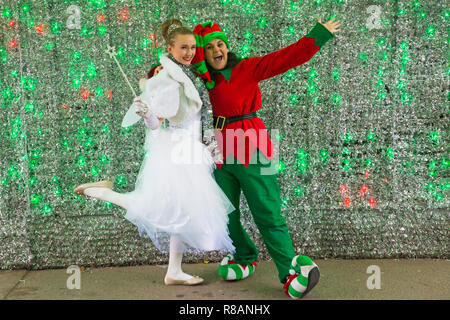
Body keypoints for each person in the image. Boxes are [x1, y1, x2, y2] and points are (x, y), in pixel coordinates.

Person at [73, 18, 235, 286]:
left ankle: (174, 270)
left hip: (191, 150)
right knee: (153, 207)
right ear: (170, 49)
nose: (190, 52)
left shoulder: (185, 74)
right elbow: (158, 122)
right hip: (176, 153)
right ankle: (96, 190)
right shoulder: (167, 79)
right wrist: (147, 113)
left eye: (193, 47)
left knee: (180, 213)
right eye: (184, 48)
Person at [191, 17, 341, 298]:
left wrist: (318, 35)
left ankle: (290, 271)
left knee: (267, 213)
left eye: (220, 44)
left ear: (227, 47)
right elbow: (179, 60)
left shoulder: (246, 67)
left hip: (251, 143)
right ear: (204, 54)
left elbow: (285, 58)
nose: (216, 50)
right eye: (209, 47)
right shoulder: (205, 78)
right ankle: (244, 255)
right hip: (221, 149)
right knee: (223, 211)